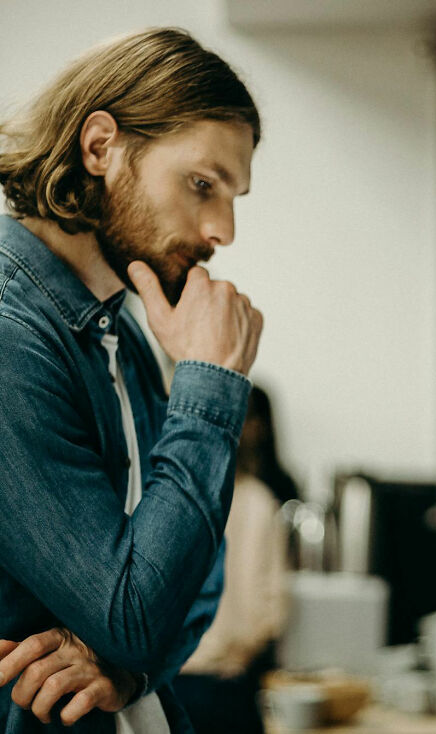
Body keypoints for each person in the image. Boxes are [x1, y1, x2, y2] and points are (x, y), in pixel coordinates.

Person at [0, 28, 263, 733]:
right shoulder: (7, 334)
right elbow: (136, 612)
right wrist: (210, 381)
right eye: (202, 184)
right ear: (99, 148)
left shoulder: (125, 334)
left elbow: (200, 575)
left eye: (233, 195)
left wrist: (127, 669)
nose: (224, 229)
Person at [173, 387, 297, 733]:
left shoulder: (171, 497)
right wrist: (242, 650)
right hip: (227, 681)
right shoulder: (260, 501)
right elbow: (272, 604)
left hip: (169, 678)